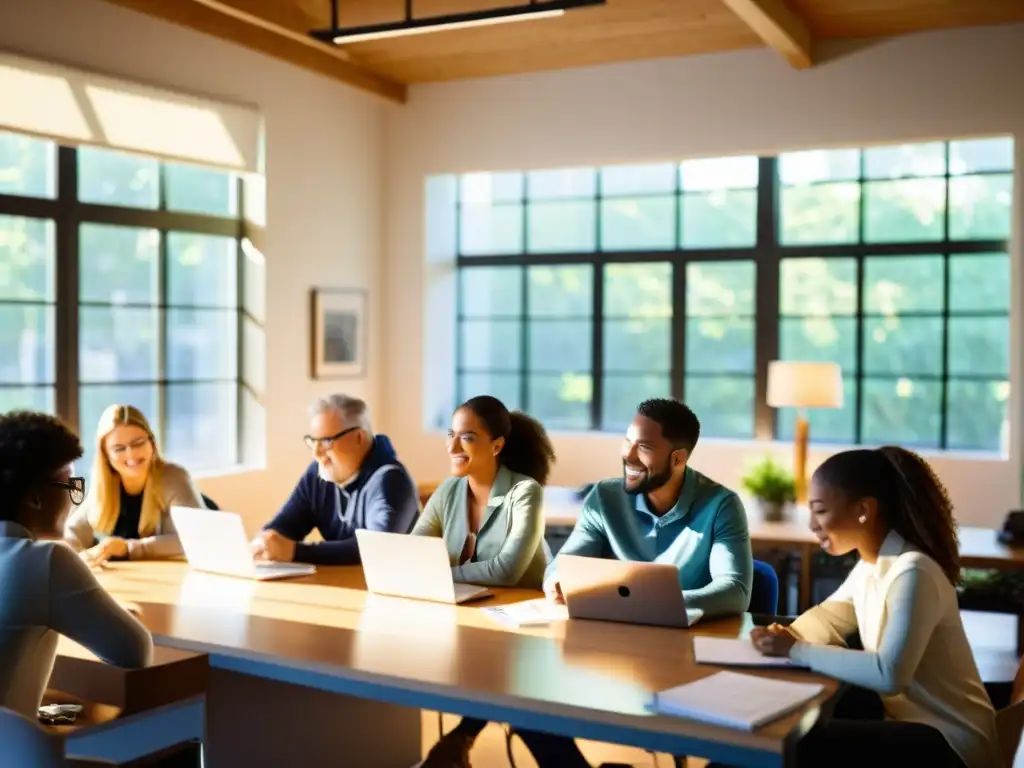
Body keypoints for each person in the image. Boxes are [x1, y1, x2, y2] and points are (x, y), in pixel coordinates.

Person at [744, 447, 1000, 768]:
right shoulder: (872, 565)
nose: (812, 524)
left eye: (820, 510)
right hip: (910, 726)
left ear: (864, 510)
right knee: (811, 720)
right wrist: (780, 636)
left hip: (951, 744)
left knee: (801, 742)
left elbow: (890, 673)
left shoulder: (914, 570)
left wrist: (794, 649)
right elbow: (828, 619)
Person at [415, 396, 556, 768]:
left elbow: (506, 570)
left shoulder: (524, 492)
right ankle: (459, 739)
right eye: (451, 435)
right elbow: (414, 551)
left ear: (496, 446)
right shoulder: (448, 491)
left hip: (529, 626)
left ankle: (458, 738)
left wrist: (439, 573)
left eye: (467, 437)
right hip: (474, 616)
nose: (451, 447)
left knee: (503, 679)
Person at [0, 410, 153, 720]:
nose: (73, 500)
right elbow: (135, 652)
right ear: (35, 499)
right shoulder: (46, 561)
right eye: (70, 486)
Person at [545, 397, 753, 616]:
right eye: (628, 442)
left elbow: (735, 592)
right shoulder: (603, 498)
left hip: (688, 640)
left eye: (644, 447)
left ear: (677, 459)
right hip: (617, 637)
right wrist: (555, 580)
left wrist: (647, 604)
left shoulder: (722, 506)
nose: (628, 455)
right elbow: (565, 564)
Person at [253, 394, 419, 565]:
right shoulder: (319, 474)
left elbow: (377, 547)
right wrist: (266, 542)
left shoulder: (390, 480)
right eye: (313, 441)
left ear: (359, 438)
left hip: (389, 588)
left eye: (326, 441)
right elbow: (285, 526)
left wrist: (296, 552)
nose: (316, 453)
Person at [64, 404, 205, 563]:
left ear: (152, 443)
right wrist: (79, 558)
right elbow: (70, 533)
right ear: (106, 455)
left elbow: (195, 538)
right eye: (119, 448)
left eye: (138, 443)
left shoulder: (174, 477)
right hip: (121, 580)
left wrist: (129, 548)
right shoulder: (104, 483)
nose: (131, 454)